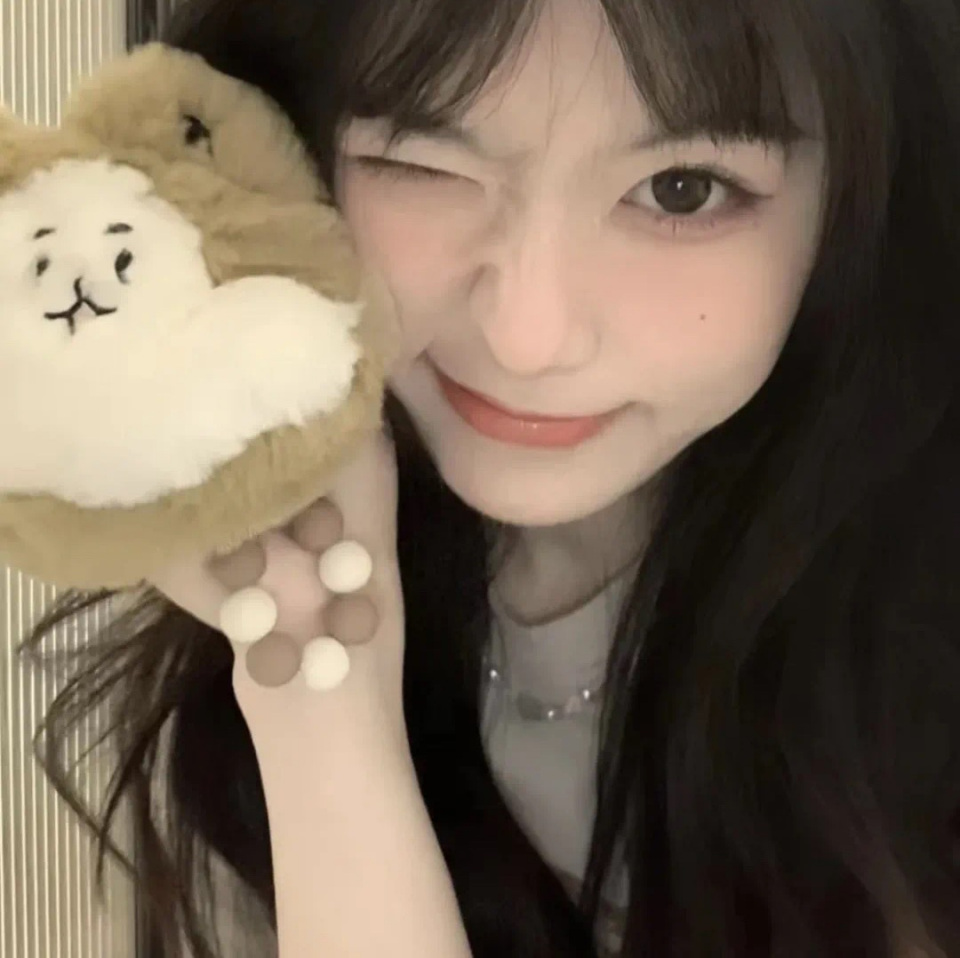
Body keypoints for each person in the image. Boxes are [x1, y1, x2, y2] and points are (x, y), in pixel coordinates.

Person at [21, 0, 960, 954]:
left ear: (864, 197)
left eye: (682, 190)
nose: (527, 336)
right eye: (423, 163)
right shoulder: (231, 613)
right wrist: (321, 705)